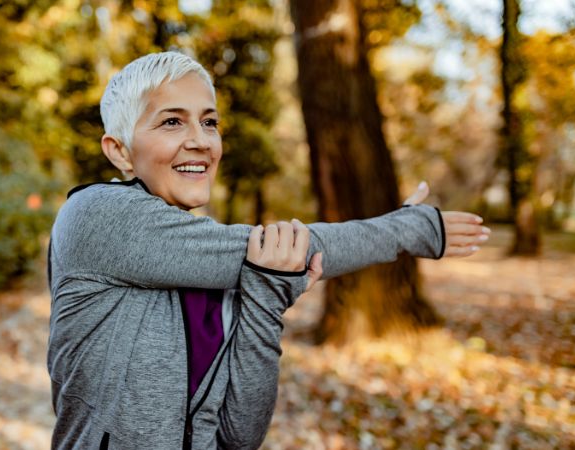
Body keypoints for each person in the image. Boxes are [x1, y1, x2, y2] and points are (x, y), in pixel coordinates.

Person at [46, 51, 490, 450]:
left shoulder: (217, 270)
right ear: (120, 151)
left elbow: (240, 436)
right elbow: (292, 246)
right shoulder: (97, 214)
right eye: (171, 121)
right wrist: (408, 229)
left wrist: (266, 294)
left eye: (210, 121)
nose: (201, 140)